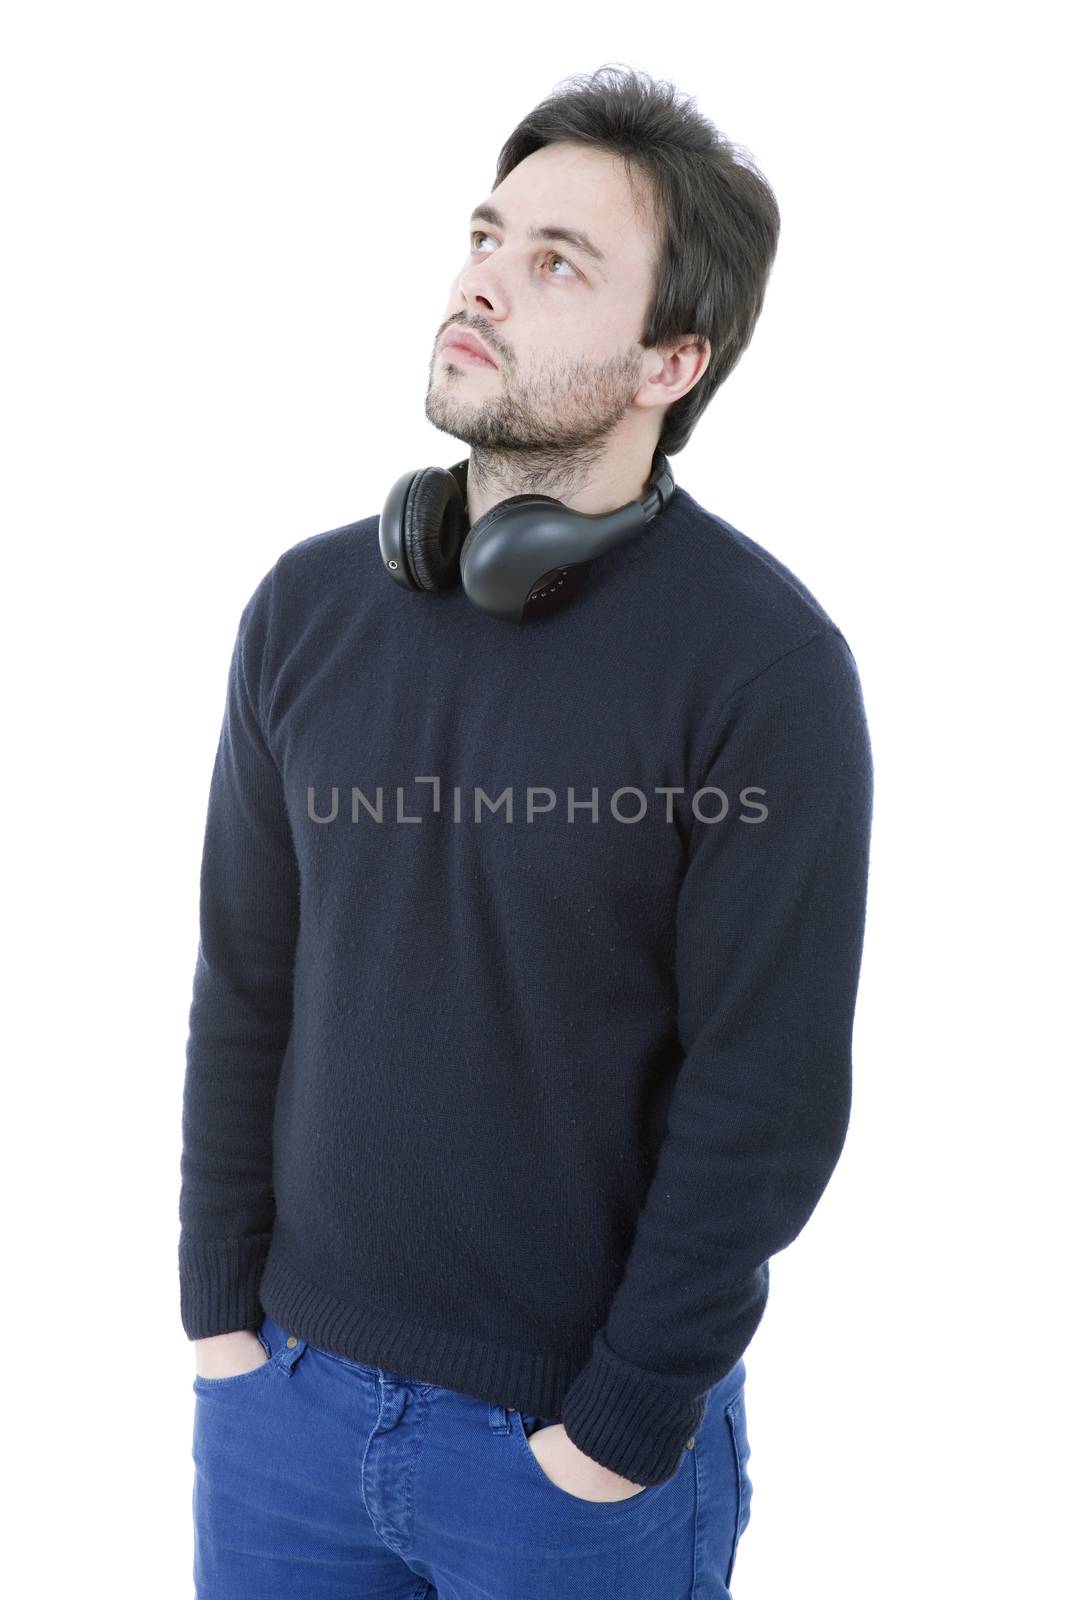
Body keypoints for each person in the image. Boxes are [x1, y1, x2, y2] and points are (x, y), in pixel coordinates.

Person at [179, 65, 874, 1599]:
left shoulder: (762, 670)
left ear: (668, 361)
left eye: (559, 262)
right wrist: (221, 1317)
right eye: (489, 236)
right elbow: (246, 981)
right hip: (283, 1417)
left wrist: (616, 1428)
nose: (485, 277)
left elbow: (764, 1094)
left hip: (567, 1463)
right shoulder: (305, 612)